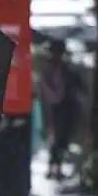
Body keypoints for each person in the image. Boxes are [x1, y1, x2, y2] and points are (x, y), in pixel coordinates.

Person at [39, 41, 81, 180]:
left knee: (61, 140)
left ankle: (57, 168)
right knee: (54, 140)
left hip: (65, 109)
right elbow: (43, 86)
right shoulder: (47, 69)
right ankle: (53, 167)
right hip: (51, 108)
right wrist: (52, 96)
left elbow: (77, 87)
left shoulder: (68, 69)